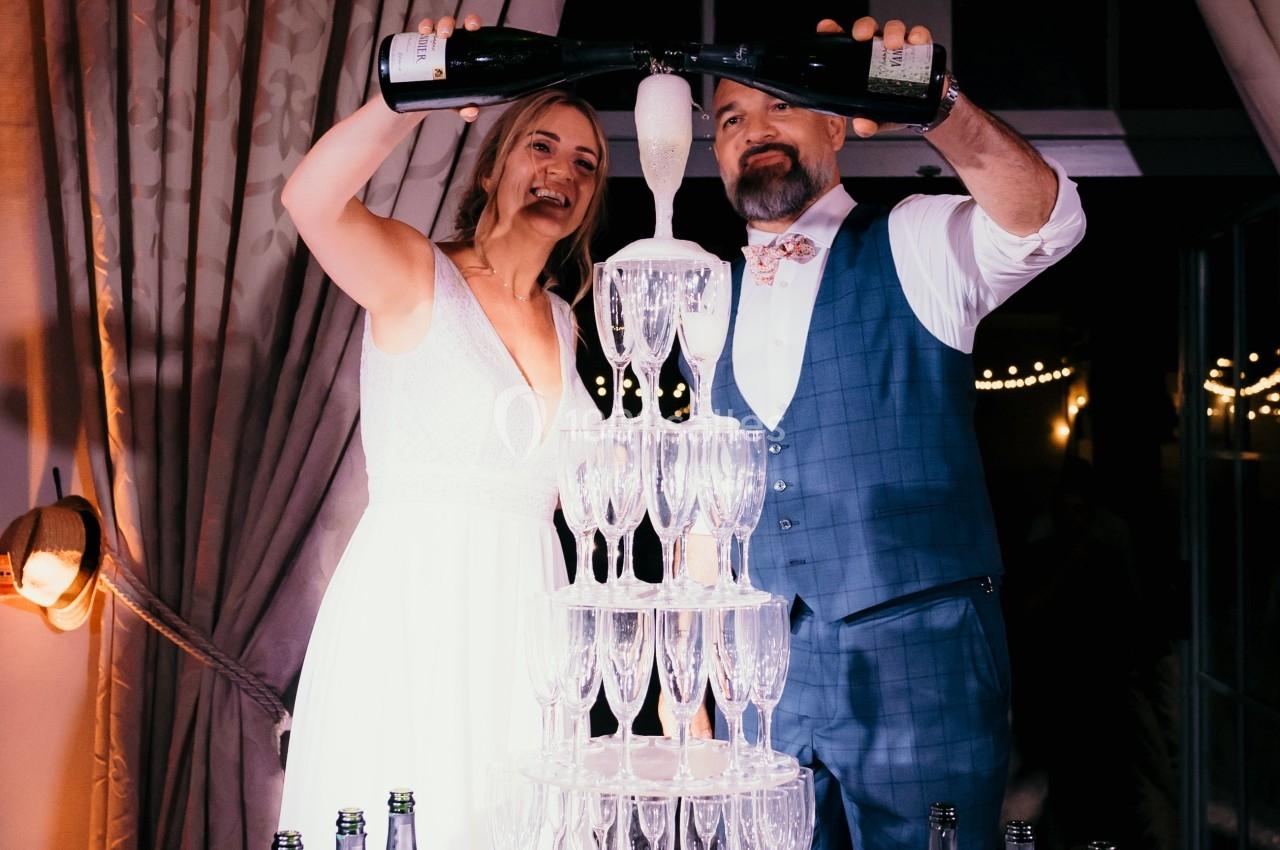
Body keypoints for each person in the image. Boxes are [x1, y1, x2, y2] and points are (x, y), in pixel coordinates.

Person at [675, 14, 1087, 850]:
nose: (753, 130)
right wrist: (690, 696)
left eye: (780, 106)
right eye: (729, 119)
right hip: (759, 685)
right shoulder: (699, 301)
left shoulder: (915, 240)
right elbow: (702, 515)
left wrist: (938, 105)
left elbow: (1048, 222)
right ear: (714, 155)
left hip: (922, 670)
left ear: (834, 123)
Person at [275, 15, 607, 847]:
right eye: (540, 146)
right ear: (493, 165)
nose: (560, 171)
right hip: (413, 623)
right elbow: (308, 200)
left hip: (532, 638)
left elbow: (604, 500)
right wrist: (409, 94)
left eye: (584, 163)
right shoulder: (415, 272)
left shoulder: (570, 327)